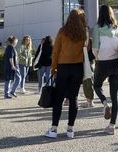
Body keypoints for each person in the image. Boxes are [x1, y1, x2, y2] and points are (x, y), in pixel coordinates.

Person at [44, 8, 87, 139]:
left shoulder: (62, 31)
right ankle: (70, 130)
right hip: (78, 68)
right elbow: (87, 50)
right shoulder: (84, 33)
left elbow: (56, 52)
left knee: (59, 98)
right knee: (73, 98)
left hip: (63, 67)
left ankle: (54, 129)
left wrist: (53, 69)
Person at [92, 5, 118, 135]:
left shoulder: (98, 29)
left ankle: (105, 104)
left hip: (103, 63)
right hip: (117, 64)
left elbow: (95, 49)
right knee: (115, 95)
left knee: (97, 85)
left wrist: (99, 57)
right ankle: (112, 126)